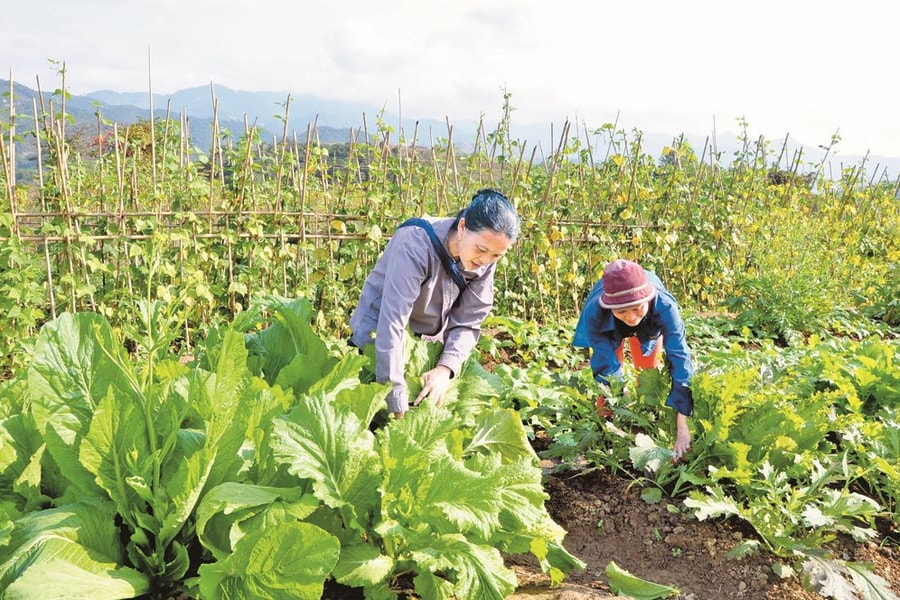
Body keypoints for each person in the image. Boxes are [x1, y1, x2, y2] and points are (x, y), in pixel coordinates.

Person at [349, 188, 520, 418]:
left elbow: (468, 321)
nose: (485, 261)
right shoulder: (415, 244)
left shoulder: (485, 258)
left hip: (421, 348)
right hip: (375, 344)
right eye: (481, 250)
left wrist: (444, 369)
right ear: (462, 227)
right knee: (366, 418)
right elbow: (391, 325)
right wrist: (397, 402)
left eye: (496, 256)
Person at [573, 259, 694, 459]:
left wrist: (683, 422)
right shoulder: (595, 312)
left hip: (651, 323)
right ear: (610, 307)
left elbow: (680, 359)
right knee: (610, 385)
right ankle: (607, 430)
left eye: (637, 308)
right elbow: (605, 362)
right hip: (609, 325)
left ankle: (649, 410)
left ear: (647, 299)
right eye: (622, 311)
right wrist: (622, 398)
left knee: (648, 371)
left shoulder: (664, 307)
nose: (630, 317)